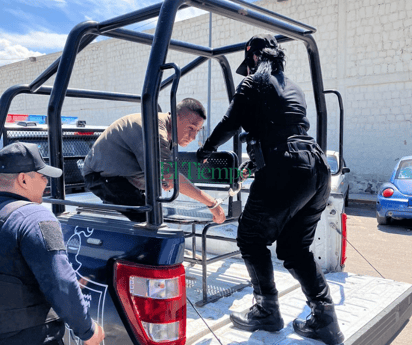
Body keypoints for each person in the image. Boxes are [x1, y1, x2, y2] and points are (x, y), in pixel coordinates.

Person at [197, 34, 344, 345]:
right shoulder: (294, 88)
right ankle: (326, 319)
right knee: (293, 249)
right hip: (316, 169)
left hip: (286, 167)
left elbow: (230, 123)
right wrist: (253, 166)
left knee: (250, 238)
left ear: (252, 58)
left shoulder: (253, 83)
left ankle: (267, 310)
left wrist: (206, 149)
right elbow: (281, 131)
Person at [0, 142, 105, 345]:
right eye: (42, 176)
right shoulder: (35, 217)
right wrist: (88, 331)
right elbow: (61, 283)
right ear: (23, 179)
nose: (47, 182)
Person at [83, 98, 225, 224]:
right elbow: (170, 177)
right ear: (175, 118)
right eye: (190, 128)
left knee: (153, 213)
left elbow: (163, 172)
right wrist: (212, 204)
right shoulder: (155, 130)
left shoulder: (168, 130)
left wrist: (165, 178)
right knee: (148, 217)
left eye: (198, 130)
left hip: (122, 176)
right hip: (101, 177)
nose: (193, 137)